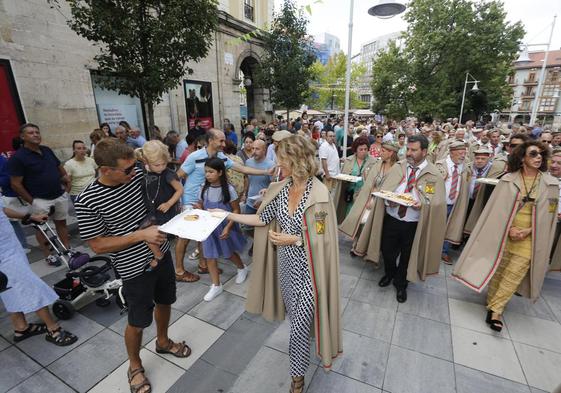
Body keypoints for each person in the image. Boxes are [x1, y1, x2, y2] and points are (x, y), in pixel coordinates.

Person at [220, 135, 341, 393]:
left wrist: (295, 239)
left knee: (298, 328)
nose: (277, 164)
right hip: (286, 268)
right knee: (296, 320)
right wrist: (225, 214)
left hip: (311, 272)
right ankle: (302, 358)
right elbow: (262, 218)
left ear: (296, 160)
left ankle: (297, 378)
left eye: (281, 159)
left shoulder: (319, 194)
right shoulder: (283, 188)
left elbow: (324, 239)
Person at [75, 139, 190, 393]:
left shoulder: (137, 176)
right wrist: (140, 236)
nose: (134, 172)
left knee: (165, 301)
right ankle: (135, 365)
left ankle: (162, 340)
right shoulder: (87, 200)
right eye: (127, 170)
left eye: (135, 166)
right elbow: (98, 245)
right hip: (133, 268)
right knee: (137, 320)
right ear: (105, 170)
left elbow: (165, 189)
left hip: (162, 254)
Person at [453, 140, 558, 332]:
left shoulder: (551, 185)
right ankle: (493, 300)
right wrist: (510, 229)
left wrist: (528, 231)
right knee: (499, 270)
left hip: (530, 238)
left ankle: (496, 310)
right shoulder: (508, 180)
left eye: (541, 154)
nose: (538, 157)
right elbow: (496, 212)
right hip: (505, 234)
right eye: (533, 154)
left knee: (513, 275)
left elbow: (548, 219)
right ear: (522, 158)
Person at [175, 129, 273, 281]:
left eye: (224, 140)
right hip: (191, 201)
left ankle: (203, 265)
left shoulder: (220, 157)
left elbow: (242, 169)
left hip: (207, 202)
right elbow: (178, 176)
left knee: (203, 235)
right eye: (220, 140)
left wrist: (267, 171)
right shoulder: (195, 156)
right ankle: (179, 271)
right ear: (210, 140)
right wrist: (177, 199)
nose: (224, 143)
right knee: (184, 237)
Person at [358, 134, 447, 303]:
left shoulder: (432, 174)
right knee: (387, 250)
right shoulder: (399, 166)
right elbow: (387, 187)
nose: (409, 153)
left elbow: (432, 200)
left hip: (413, 223)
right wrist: (388, 199)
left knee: (407, 255)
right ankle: (390, 272)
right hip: (392, 217)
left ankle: (401, 284)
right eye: (408, 149)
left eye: (414, 150)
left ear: (424, 151)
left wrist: (422, 204)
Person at [1, 198, 78, 346]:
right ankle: (53, 329)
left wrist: (28, 217)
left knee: (9, 289)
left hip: (10, 245)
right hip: (3, 255)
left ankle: (21, 328)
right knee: (30, 285)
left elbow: (2, 210)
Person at [9, 123, 71, 266]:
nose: (36, 134)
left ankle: (67, 249)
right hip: (40, 199)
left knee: (61, 223)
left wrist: (66, 182)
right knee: (42, 228)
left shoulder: (46, 150)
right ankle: (49, 255)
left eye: (37, 132)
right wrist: (32, 201)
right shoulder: (18, 157)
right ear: (23, 137)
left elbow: (58, 167)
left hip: (58, 194)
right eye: (31, 133)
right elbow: (15, 184)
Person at [198, 158, 248, 301]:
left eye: (211, 172)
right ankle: (216, 285)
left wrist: (227, 227)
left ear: (220, 172)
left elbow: (236, 210)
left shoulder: (229, 190)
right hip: (208, 228)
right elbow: (201, 205)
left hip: (225, 227)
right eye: (206, 171)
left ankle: (241, 267)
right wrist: (198, 209)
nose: (207, 174)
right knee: (209, 255)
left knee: (229, 252)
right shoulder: (203, 188)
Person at [342, 142, 399, 250]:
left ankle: (372, 249)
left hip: (386, 203)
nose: (379, 152)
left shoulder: (397, 168)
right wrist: (371, 195)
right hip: (371, 198)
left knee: (378, 227)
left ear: (391, 153)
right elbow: (370, 182)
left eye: (383, 151)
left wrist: (377, 192)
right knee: (363, 222)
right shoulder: (378, 164)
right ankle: (359, 243)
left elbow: (394, 186)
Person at [136, 140, 183, 270]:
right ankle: (157, 254)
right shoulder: (142, 170)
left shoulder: (168, 173)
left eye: (164, 163)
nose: (161, 167)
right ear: (146, 161)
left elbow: (180, 190)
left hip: (165, 210)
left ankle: (158, 256)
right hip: (151, 208)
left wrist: (169, 203)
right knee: (146, 232)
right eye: (157, 165)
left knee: (147, 232)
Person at [436, 141, 468, 264]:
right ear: (451, 152)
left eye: (464, 153)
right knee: (436, 228)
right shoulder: (440, 165)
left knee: (451, 228)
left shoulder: (465, 167)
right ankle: (431, 250)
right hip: (441, 204)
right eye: (460, 153)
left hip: (455, 205)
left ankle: (444, 251)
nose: (462, 156)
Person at [333, 136, 374, 222]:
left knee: (361, 219)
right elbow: (342, 176)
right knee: (349, 217)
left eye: (365, 149)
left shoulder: (373, 161)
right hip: (350, 194)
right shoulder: (349, 160)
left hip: (364, 195)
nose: (364, 152)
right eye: (361, 149)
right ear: (355, 150)